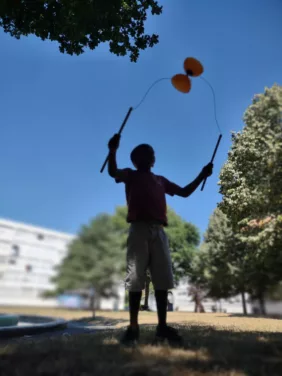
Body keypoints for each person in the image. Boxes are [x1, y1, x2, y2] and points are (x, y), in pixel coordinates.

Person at [107, 134, 213, 345]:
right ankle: (133, 327)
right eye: (145, 155)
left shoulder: (161, 181)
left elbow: (184, 192)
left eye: (151, 155)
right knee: (135, 278)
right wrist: (112, 151)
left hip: (159, 232)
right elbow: (112, 172)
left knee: (162, 279)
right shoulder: (130, 175)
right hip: (138, 229)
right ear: (136, 161)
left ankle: (162, 328)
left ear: (153, 160)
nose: (149, 158)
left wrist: (202, 175)